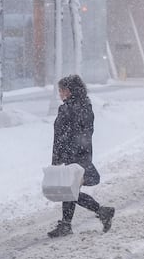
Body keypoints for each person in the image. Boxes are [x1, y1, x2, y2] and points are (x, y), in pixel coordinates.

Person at [48, 74, 115, 237]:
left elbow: (78, 133)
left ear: (71, 90)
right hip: (75, 155)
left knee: (69, 191)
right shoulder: (76, 106)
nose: (60, 93)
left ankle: (99, 212)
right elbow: (60, 135)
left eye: (62, 90)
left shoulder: (76, 108)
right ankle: (68, 224)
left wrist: (68, 154)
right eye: (60, 90)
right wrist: (58, 157)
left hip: (77, 156)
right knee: (69, 190)